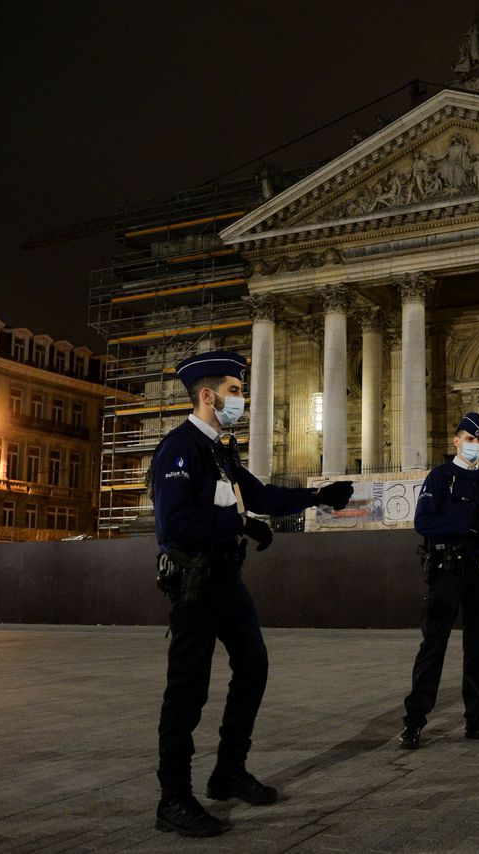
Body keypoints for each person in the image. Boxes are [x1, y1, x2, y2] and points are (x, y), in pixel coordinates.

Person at [151, 350, 354, 838]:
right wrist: (238, 522)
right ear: (208, 395)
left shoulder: (221, 451)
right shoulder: (179, 450)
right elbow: (175, 523)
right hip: (195, 584)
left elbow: (258, 494)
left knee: (254, 666)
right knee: (188, 690)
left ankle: (228, 770)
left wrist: (317, 496)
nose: (241, 399)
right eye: (236, 391)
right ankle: (173, 798)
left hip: (226, 581)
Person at [399, 412, 479, 750]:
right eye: (469, 439)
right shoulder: (440, 478)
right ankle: (414, 722)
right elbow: (424, 522)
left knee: (476, 653)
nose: (474, 446)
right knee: (433, 648)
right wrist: (464, 529)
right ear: (456, 441)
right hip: (448, 572)